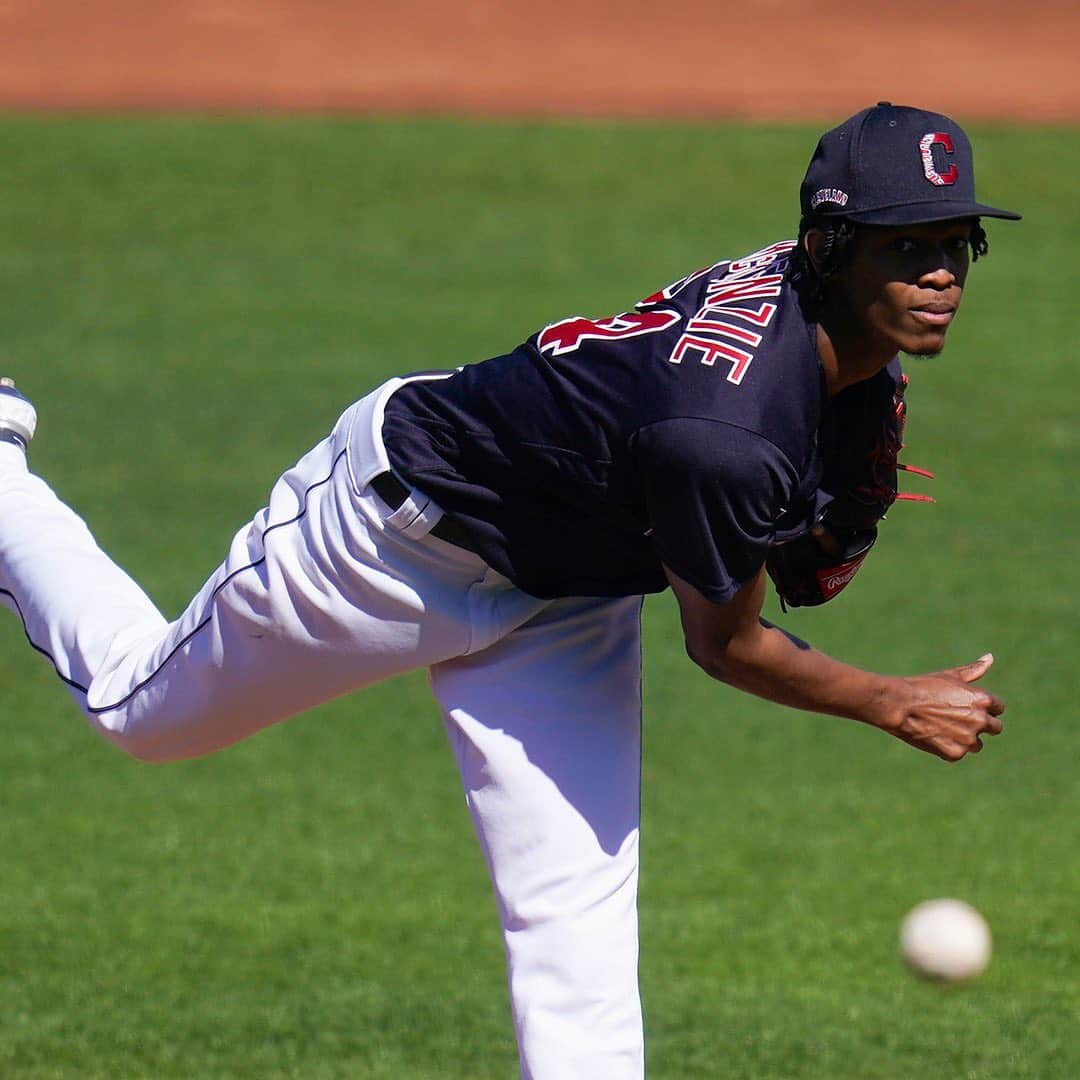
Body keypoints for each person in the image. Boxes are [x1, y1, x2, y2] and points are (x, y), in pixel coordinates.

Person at [0, 103, 1015, 1077]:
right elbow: (728, 646)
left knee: (576, 921)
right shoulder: (726, 430)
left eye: (956, 245)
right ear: (831, 249)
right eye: (904, 246)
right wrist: (891, 699)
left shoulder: (821, 340)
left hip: (569, 591)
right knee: (145, 713)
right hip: (389, 541)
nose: (940, 275)